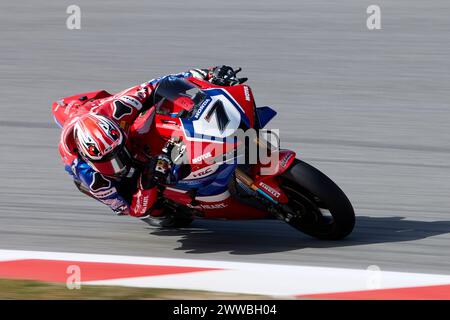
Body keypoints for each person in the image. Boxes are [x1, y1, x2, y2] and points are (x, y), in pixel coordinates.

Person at [57, 65, 242, 220]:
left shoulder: (119, 108)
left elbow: (157, 84)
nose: (118, 165)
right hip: (88, 132)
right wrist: (147, 181)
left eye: (119, 156)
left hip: (104, 116)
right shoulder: (89, 174)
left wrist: (208, 73)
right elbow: (131, 209)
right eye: (109, 163)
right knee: (155, 208)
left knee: (167, 108)